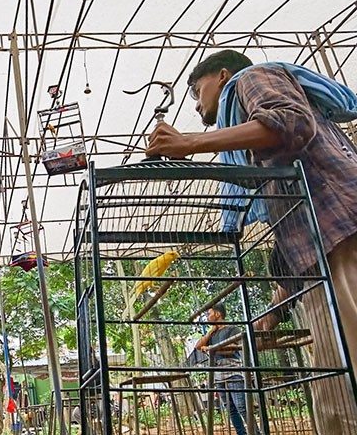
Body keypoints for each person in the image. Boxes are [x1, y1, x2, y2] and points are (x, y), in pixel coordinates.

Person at [146, 49, 357, 432]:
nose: (195, 105)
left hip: (341, 230)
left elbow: (291, 121)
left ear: (222, 75)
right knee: (333, 393)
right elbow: (290, 245)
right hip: (318, 253)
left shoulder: (251, 78)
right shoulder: (250, 138)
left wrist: (190, 143)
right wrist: (271, 316)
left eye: (196, 90)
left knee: (346, 380)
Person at [195, 304, 247, 435]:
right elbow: (198, 346)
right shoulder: (212, 334)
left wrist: (212, 349)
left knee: (242, 407)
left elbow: (232, 348)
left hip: (233, 372)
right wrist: (210, 332)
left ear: (218, 314)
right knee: (231, 409)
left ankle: (256, 432)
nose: (207, 317)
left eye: (209, 313)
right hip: (218, 376)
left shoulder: (232, 329)